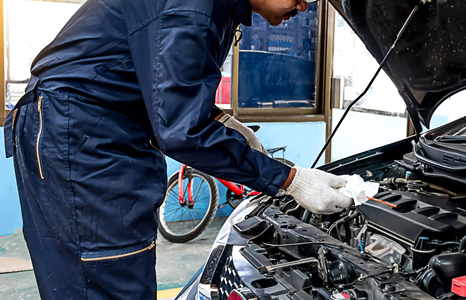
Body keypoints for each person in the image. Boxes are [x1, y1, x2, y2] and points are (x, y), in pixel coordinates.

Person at [3, 0, 353, 299]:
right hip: (82, 136)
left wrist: (220, 120)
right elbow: (182, 130)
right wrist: (291, 180)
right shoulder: (192, 6)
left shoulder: (216, 8)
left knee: (114, 269)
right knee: (103, 277)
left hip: (94, 131)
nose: (304, 5)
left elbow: (163, 82)